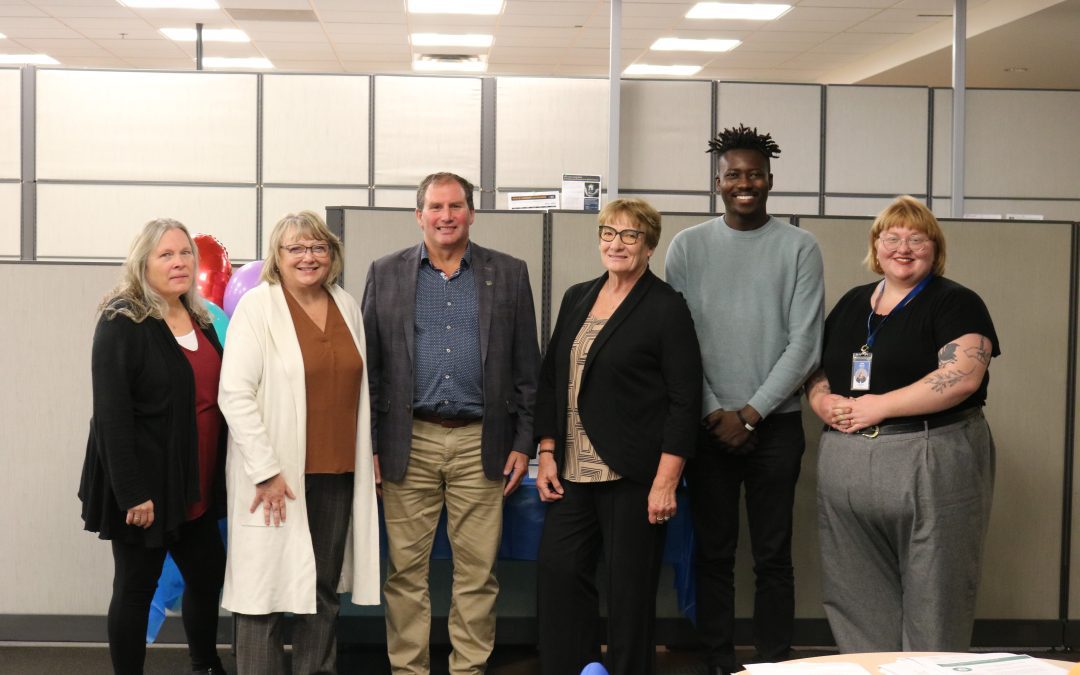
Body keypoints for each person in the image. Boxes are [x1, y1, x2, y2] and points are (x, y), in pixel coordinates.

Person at [362, 171, 540, 674]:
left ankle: (468, 670)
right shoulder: (386, 272)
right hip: (407, 442)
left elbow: (529, 369)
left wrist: (524, 443)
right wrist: (371, 445)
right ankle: (409, 671)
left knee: (478, 575)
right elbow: (371, 372)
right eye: (435, 207)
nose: (446, 216)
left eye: (455, 206)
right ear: (418, 215)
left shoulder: (508, 273)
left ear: (471, 213)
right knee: (405, 575)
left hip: (481, 444)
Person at [805, 195, 999, 652]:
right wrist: (821, 399)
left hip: (930, 454)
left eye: (917, 238)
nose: (903, 247)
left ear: (935, 248)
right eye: (891, 237)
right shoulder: (853, 303)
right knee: (855, 592)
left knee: (937, 593)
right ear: (876, 245)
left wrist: (879, 406)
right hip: (846, 460)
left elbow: (962, 377)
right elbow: (818, 366)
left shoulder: (956, 302)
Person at [664, 125, 824, 675]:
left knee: (773, 556)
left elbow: (805, 343)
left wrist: (752, 413)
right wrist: (715, 411)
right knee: (712, 555)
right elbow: (678, 339)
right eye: (734, 174)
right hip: (708, 427)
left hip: (774, 427)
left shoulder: (800, 247)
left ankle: (775, 662)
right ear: (718, 183)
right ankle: (716, 661)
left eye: (754, 174)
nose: (744, 183)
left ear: (770, 180)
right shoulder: (687, 246)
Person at [534, 198, 702, 675]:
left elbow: (684, 400)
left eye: (630, 235)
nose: (617, 243)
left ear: (650, 245)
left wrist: (666, 480)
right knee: (560, 574)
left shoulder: (666, 307)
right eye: (609, 232)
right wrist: (546, 451)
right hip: (572, 471)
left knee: (629, 593)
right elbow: (551, 380)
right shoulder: (577, 296)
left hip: (633, 472)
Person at [218, 211, 380, 674]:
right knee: (261, 593)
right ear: (277, 257)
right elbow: (234, 393)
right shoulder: (258, 307)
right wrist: (266, 471)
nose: (309, 257)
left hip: (337, 473)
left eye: (318, 247)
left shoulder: (346, 305)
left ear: (332, 254)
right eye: (296, 248)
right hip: (276, 477)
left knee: (321, 591)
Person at [78, 218, 228, 675]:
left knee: (206, 577)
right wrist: (132, 493)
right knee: (136, 588)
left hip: (194, 485)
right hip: (146, 487)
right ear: (143, 262)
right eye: (166, 254)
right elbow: (111, 415)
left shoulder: (200, 318)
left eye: (185, 253)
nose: (179, 262)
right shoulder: (123, 319)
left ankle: (203, 665)